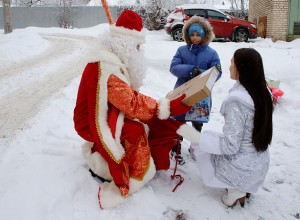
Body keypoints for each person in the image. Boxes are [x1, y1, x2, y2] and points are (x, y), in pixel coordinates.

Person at [73, 10, 192, 209]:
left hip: (107, 111)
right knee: (137, 130)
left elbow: (126, 98)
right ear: (125, 44)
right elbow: (130, 102)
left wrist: (157, 107)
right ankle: (133, 175)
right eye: (137, 45)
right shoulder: (108, 64)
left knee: (143, 120)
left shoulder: (112, 58)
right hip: (91, 121)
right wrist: (163, 107)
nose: (139, 50)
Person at [186, 48, 273, 207]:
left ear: (241, 68)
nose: (229, 66)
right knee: (210, 139)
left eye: (232, 62)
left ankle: (235, 189)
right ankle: (243, 186)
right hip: (260, 161)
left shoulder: (237, 101)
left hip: (242, 166)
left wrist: (199, 139)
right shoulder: (264, 91)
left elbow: (230, 145)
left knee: (201, 143)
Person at [169, 16, 222, 165]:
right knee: (179, 121)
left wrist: (204, 76)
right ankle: (176, 148)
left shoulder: (211, 53)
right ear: (187, 35)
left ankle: (195, 148)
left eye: (198, 34)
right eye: (192, 34)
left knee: (197, 122)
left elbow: (217, 71)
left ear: (205, 34)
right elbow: (174, 67)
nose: (195, 38)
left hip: (201, 95)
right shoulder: (182, 50)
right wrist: (191, 70)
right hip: (182, 92)